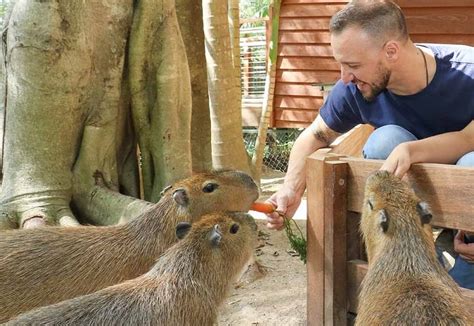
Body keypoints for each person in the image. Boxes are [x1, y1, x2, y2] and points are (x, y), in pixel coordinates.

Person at [265, 0, 474, 289]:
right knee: (385, 141)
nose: (344, 77)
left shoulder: (468, 72)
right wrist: (290, 188)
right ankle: (410, 262)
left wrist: (411, 151)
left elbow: (468, 139)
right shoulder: (353, 86)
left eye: (352, 65)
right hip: (415, 214)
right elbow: (315, 135)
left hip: (469, 209)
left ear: (391, 51)